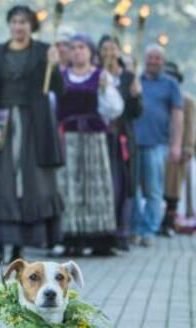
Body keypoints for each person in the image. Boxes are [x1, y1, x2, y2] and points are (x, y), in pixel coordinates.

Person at [0, 5, 65, 264]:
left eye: (24, 22)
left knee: (29, 182)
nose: (19, 26)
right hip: (0, 123)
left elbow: (57, 89)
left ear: (31, 26)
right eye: (14, 21)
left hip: (32, 125)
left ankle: (20, 246)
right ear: (9, 24)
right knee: (0, 180)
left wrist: (55, 66)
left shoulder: (42, 52)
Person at [57, 34, 124, 256]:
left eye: (82, 47)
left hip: (94, 138)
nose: (77, 51)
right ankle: (72, 238)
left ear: (90, 52)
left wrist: (105, 89)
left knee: (96, 187)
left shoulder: (100, 76)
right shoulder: (61, 76)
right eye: (73, 47)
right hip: (70, 138)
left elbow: (114, 110)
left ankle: (99, 239)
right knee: (71, 187)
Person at [132, 45, 184, 247]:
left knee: (153, 189)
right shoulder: (137, 81)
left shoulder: (171, 84)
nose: (153, 61)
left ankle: (149, 230)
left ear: (163, 61)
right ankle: (135, 228)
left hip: (157, 143)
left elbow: (177, 116)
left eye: (157, 58)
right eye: (150, 57)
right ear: (145, 60)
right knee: (133, 190)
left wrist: (176, 144)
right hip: (134, 142)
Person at [99, 35, 143, 251]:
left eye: (112, 48)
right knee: (106, 186)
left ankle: (121, 233)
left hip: (122, 137)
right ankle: (103, 232)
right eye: (104, 49)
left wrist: (136, 96)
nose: (109, 53)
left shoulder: (128, 77)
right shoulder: (96, 73)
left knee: (123, 186)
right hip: (101, 137)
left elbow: (136, 113)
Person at [160, 62, 194, 236]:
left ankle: (170, 221)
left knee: (173, 186)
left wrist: (187, 147)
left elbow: (190, 126)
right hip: (158, 144)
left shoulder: (186, 100)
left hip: (177, 149)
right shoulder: (158, 96)